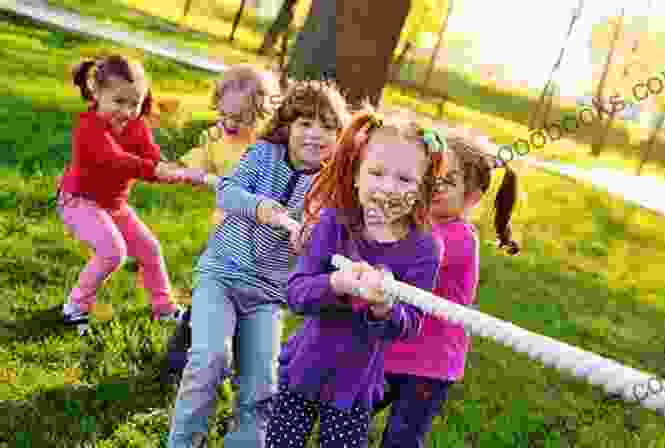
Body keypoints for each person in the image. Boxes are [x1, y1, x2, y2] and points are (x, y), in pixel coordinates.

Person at [166, 80, 349, 448]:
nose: (316, 135)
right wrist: (258, 207)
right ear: (288, 126)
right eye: (306, 124)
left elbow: (325, 243)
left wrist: (311, 244)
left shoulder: (330, 187)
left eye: (328, 127)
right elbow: (227, 191)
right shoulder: (264, 154)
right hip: (222, 275)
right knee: (209, 359)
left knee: (262, 389)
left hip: (267, 295)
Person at [264, 111, 448, 448]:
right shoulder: (335, 222)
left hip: (356, 386)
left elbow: (409, 325)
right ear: (356, 177)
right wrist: (337, 284)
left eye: (405, 180)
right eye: (377, 173)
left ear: (423, 188)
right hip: (304, 369)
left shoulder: (425, 249)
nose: (388, 188)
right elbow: (296, 293)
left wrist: (384, 307)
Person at [373, 129, 520, 448]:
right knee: (349, 411)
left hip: (429, 364)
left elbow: (405, 258)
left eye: (448, 181)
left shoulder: (459, 238)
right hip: (391, 349)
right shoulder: (415, 223)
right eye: (431, 175)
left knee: (401, 438)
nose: (435, 187)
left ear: (474, 195)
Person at [58, 55, 209, 335]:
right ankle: (75, 307)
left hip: (113, 204)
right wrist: (157, 170)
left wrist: (180, 174)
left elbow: (152, 157)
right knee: (112, 252)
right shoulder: (89, 128)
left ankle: (164, 309)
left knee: (149, 249)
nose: (127, 111)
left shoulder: (136, 126)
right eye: (119, 102)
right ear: (97, 93)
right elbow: (117, 161)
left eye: (135, 104)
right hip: (78, 201)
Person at [173, 64, 281, 227]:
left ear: (264, 115)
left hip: (262, 226)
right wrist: (189, 169)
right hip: (224, 223)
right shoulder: (216, 136)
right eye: (223, 114)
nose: (229, 124)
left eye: (240, 119)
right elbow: (203, 155)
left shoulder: (270, 145)